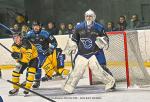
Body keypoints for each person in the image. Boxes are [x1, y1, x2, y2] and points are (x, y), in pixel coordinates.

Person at [62, 9, 115, 94]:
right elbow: (74, 39)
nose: (88, 17)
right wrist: (72, 46)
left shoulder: (99, 27)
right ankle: (69, 87)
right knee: (76, 71)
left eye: (90, 16)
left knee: (101, 69)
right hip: (82, 53)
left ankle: (111, 83)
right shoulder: (78, 27)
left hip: (95, 52)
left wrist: (103, 41)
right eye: (87, 16)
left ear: (94, 17)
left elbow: (106, 39)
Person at [26, 21, 58, 88]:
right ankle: (29, 80)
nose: (36, 27)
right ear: (32, 27)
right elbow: (23, 42)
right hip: (33, 54)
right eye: (34, 26)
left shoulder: (45, 33)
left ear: (40, 26)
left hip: (43, 54)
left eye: (37, 26)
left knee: (40, 67)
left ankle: (38, 80)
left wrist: (50, 50)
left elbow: (54, 42)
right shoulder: (29, 34)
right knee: (31, 67)